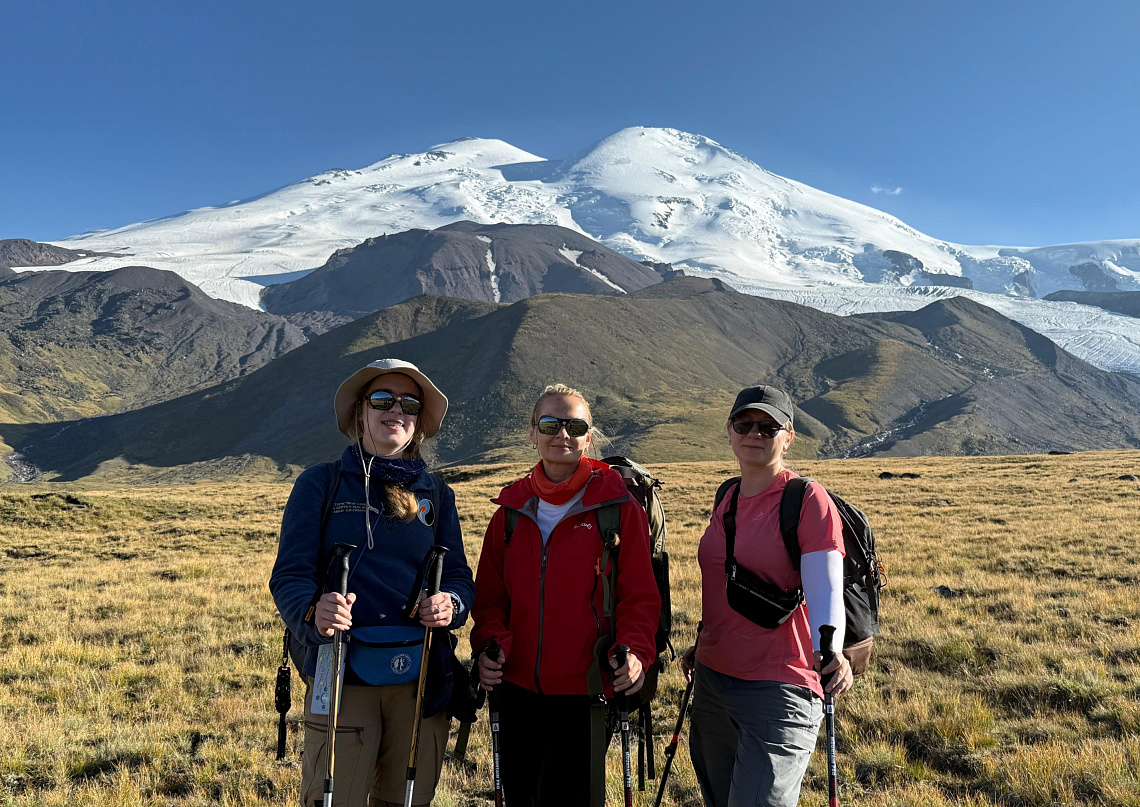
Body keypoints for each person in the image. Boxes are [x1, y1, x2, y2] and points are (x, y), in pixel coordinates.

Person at [270, 358, 475, 807]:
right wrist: (313, 611)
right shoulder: (321, 484)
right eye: (382, 400)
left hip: (420, 677)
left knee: (408, 799)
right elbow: (289, 574)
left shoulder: (436, 494)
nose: (395, 410)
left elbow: (458, 576)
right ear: (360, 412)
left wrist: (451, 604)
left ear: (419, 420)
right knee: (334, 798)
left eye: (409, 403)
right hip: (342, 671)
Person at [471, 383, 661, 807]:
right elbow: (489, 600)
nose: (563, 434)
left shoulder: (617, 509)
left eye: (575, 425)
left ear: (589, 436)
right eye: (550, 424)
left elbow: (639, 598)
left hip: (587, 690)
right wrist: (488, 646)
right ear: (532, 433)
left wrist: (635, 653)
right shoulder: (510, 513)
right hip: (516, 687)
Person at [680, 384, 853, 807]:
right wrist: (702, 644)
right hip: (713, 680)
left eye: (768, 426)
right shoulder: (727, 496)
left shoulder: (807, 500)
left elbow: (826, 584)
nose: (754, 433)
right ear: (729, 430)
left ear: (788, 436)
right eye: (745, 423)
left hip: (780, 687)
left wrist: (829, 650)